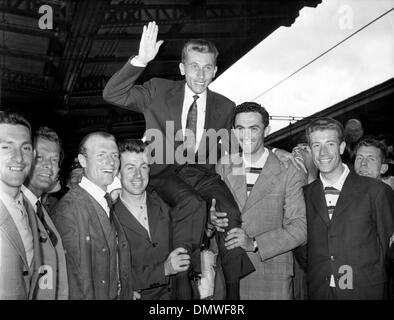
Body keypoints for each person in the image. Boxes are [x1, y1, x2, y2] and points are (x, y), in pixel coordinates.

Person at [103, 21, 255, 299]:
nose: (200, 74)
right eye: (194, 66)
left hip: (200, 174)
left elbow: (235, 151)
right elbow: (112, 93)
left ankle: (233, 293)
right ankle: (183, 283)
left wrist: (276, 155)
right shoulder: (158, 90)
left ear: (215, 70)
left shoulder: (225, 106)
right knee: (192, 203)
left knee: (231, 215)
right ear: (182, 68)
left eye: (207, 67)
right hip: (163, 171)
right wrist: (141, 61)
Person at [212, 102, 307, 299]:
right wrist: (211, 219)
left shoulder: (289, 169)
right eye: (240, 128)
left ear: (267, 130)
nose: (246, 135)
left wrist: (254, 243)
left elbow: (299, 228)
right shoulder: (224, 165)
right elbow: (212, 208)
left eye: (253, 128)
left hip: (271, 274)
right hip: (229, 272)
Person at [302, 117, 394, 299]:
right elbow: (302, 248)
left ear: (342, 147)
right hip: (319, 290)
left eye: (330, 144)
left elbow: (388, 248)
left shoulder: (376, 191)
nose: (323, 153)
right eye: (316, 146)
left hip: (365, 291)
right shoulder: (304, 194)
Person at [52, 132, 134, 300]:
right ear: (83, 161)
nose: (111, 162)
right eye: (101, 155)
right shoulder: (69, 209)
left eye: (114, 156)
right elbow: (73, 284)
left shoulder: (106, 202)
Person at [114, 139, 190, 299]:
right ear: (118, 172)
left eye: (143, 167)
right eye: (130, 168)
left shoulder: (168, 202)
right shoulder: (109, 216)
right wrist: (163, 270)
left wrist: (209, 224)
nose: (138, 175)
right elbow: (112, 275)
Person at [22, 126, 68, 299]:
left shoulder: (40, 210)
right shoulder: (14, 211)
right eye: (39, 157)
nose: (48, 165)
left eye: (54, 159)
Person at [0, 110, 41, 299]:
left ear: (33, 155)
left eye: (25, 148)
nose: (18, 158)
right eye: (6, 147)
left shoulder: (29, 208)